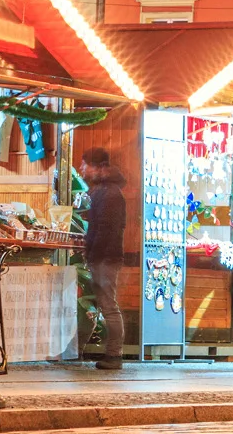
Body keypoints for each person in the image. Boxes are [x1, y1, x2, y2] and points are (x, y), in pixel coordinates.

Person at [81, 147, 126, 370]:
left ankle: (114, 355)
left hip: (105, 258)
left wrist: (93, 255)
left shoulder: (109, 193)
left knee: (109, 306)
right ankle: (113, 353)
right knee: (108, 304)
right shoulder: (103, 190)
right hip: (104, 256)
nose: (81, 168)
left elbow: (105, 230)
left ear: (98, 167)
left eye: (85, 164)